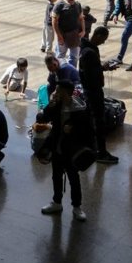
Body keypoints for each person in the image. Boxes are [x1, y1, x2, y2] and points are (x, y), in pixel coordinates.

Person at [38, 80, 92, 222]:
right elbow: (43, 118)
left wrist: (72, 128)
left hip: (72, 149)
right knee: (56, 175)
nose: (55, 92)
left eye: (58, 90)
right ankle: (57, 202)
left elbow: (87, 130)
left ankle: (77, 206)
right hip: (57, 146)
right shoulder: (57, 105)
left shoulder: (79, 108)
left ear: (66, 93)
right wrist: (51, 104)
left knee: (73, 178)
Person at [79, 27, 118, 164]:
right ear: (98, 35)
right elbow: (90, 73)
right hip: (93, 90)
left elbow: (89, 69)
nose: (103, 42)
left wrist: (102, 67)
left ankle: (91, 148)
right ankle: (101, 152)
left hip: (89, 90)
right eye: (103, 39)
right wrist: (102, 68)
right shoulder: (89, 52)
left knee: (91, 119)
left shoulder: (87, 49)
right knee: (98, 121)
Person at [52, 0, 85, 67]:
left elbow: (81, 18)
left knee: (74, 57)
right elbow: (54, 21)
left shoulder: (78, 4)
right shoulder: (59, 5)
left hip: (75, 35)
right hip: (63, 35)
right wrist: (59, 36)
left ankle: (72, 71)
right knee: (60, 56)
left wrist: (83, 30)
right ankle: (60, 72)